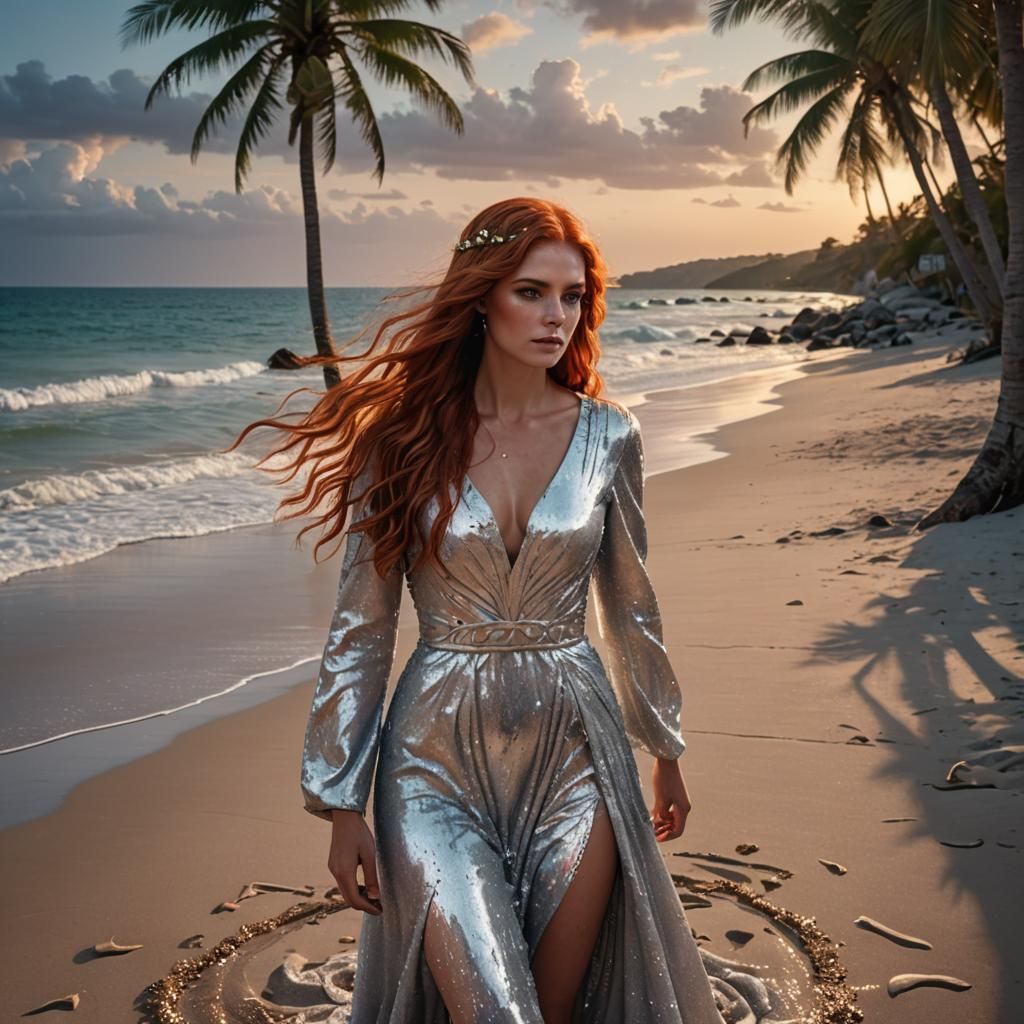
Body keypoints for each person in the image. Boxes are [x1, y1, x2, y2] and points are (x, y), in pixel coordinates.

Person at [234, 197, 726, 1022]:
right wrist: (339, 798)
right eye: (531, 291)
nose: (556, 316)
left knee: (555, 1005)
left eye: (572, 296)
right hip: (431, 762)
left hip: (579, 751)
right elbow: (362, 623)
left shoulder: (611, 436)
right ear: (481, 297)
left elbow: (632, 603)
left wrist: (664, 745)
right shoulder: (401, 439)